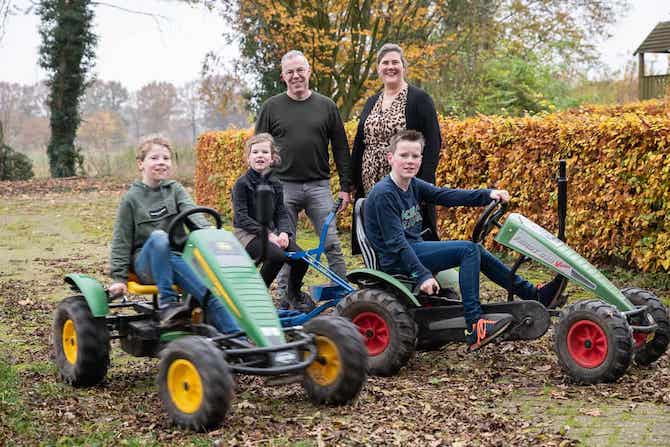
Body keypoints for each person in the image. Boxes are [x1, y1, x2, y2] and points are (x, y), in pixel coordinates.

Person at [364, 130, 563, 351]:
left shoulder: (412, 185)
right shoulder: (384, 194)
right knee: (468, 250)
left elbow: (446, 196)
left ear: (421, 158)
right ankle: (475, 324)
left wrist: (487, 194)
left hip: (413, 248)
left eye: (415, 156)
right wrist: (422, 275)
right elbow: (396, 243)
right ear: (390, 157)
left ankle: (533, 295)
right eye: (404, 155)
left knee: (475, 250)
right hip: (396, 258)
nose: (410, 161)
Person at [108, 136, 239, 334]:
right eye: (154, 158)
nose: (161, 162)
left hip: (173, 258)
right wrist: (119, 278)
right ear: (140, 164)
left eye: (166, 158)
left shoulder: (175, 190)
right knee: (159, 238)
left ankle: (239, 340)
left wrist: (208, 232)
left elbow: (194, 215)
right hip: (146, 265)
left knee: (207, 293)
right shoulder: (131, 199)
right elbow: (121, 241)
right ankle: (168, 304)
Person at [255, 49, 352, 302]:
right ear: (283, 76)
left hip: (318, 186)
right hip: (281, 187)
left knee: (331, 242)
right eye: (290, 72)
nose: (296, 75)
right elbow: (258, 148)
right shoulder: (271, 107)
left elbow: (341, 147)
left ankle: (344, 296)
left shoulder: (327, 106)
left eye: (300, 70)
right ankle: (287, 298)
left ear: (309, 72)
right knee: (286, 245)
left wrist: (345, 186)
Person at [351, 43, 442, 255]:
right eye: (385, 63)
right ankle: (382, 275)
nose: (390, 67)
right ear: (378, 69)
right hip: (371, 180)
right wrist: (351, 183)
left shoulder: (419, 99)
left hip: (405, 180)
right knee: (376, 229)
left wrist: (424, 181)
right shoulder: (372, 101)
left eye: (395, 62)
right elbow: (359, 143)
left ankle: (416, 276)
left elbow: (433, 141)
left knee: (407, 231)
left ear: (403, 67)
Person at [232, 133, 313, 312]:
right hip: (246, 234)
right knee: (276, 256)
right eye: (255, 152)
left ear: (272, 158)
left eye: (264, 152)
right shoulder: (242, 184)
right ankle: (257, 296)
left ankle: (293, 294)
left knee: (302, 259)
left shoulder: (275, 184)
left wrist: (284, 233)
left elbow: (281, 212)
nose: (260, 155)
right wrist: (269, 235)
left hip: (271, 234)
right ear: (248, 158)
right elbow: (241, 217)